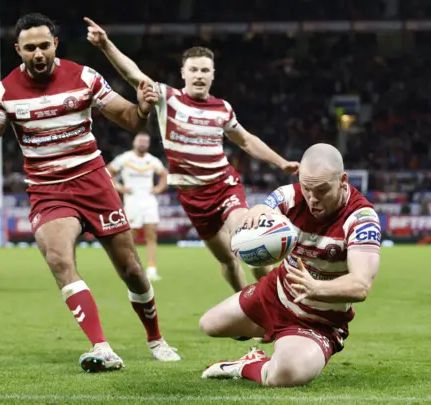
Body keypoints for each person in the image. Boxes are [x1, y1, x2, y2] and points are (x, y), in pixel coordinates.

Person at [0, 13, 179, 372]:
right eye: (30, 48)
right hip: (48, 189)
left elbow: (129, 118)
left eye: (44, 45)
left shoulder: (84, 77)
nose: (38, 53)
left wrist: (143, 107)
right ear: (18, 50)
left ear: (55, 44)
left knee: (132, 270)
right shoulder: (6, 91)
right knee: (59, 259)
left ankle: (155, 338)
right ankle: (102, 347)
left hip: (94, 183)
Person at [85, 18, 300, 293]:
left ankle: (273, 300)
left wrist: (281, 162)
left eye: (205, 70)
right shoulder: (167, 98)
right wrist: (105, 44)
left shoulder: (222, 108)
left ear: (213, 75)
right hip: (193, 200)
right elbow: (134, 75)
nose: (199, 75)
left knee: (249, 240)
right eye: (194, 70)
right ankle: (247, 305)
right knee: (228, 261)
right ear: (183, 73)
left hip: (224, 187)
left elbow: (246, 140)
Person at [199, 143, 382, 387]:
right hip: (276, 293)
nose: (313, 199)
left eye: (322, 191)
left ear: (343, 180)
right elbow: (266, 208)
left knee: (283, 375)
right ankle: (273, 339)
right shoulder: (291, 195)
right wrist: (258, 213)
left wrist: (316, 288)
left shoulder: (362, 220)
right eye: (307, 189)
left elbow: (360, 285)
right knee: (209, 324)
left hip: (319, 320)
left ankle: (246, 365)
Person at [107, 132, 168, 281]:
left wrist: (159, 188)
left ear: (148, 144)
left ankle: (152, 269)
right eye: (140, 140)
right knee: (129, 237)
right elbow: (108, 172)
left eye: (145, 141)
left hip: (148, 200)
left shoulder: (152, 161)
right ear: (134, 142)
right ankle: (131, 267)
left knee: (151, 235)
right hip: (132, 200)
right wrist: (119, 187)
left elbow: (164, 175)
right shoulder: (125, 158)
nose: (142, 143)